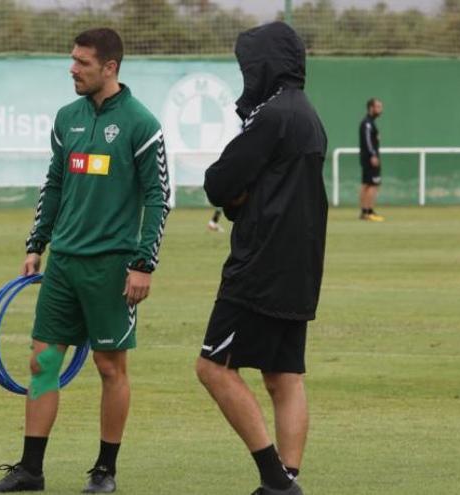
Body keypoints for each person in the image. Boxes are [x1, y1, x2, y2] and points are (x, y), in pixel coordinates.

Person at [0, 27, 170, 494]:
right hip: (64, 263)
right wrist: (36, 245)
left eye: (82, 62)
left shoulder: (141, 124)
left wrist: (144, 263)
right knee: (43, 363)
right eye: (72, 59)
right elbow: (54, 186)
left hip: (112, 267)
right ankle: (30, 470)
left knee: (110, 368)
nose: (72, 68)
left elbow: (159, 197)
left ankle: (104, 470)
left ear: (110, 67)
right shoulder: (67, 118)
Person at [196, 22, 328, 495]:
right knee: (284, 375)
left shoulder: (271, 115)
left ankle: (277, 481)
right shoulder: (309, 114)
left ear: (263, 65)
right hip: (302, 265)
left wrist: (236, 201)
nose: (244, 73)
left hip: (260, 264)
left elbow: (220, 182)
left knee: (212, 366)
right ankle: (287, 479)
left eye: (247, 65)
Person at [359, 98, 385, 221]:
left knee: (366, 185)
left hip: (366, 158)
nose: (381, 109)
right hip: (370, 159)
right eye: (378, 107)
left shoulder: (368, 122)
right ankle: (369, 212)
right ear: (371, 108)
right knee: (373, 185)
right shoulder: (368, 123)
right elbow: (368, 141)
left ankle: (364, 212)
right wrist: (373, 155)